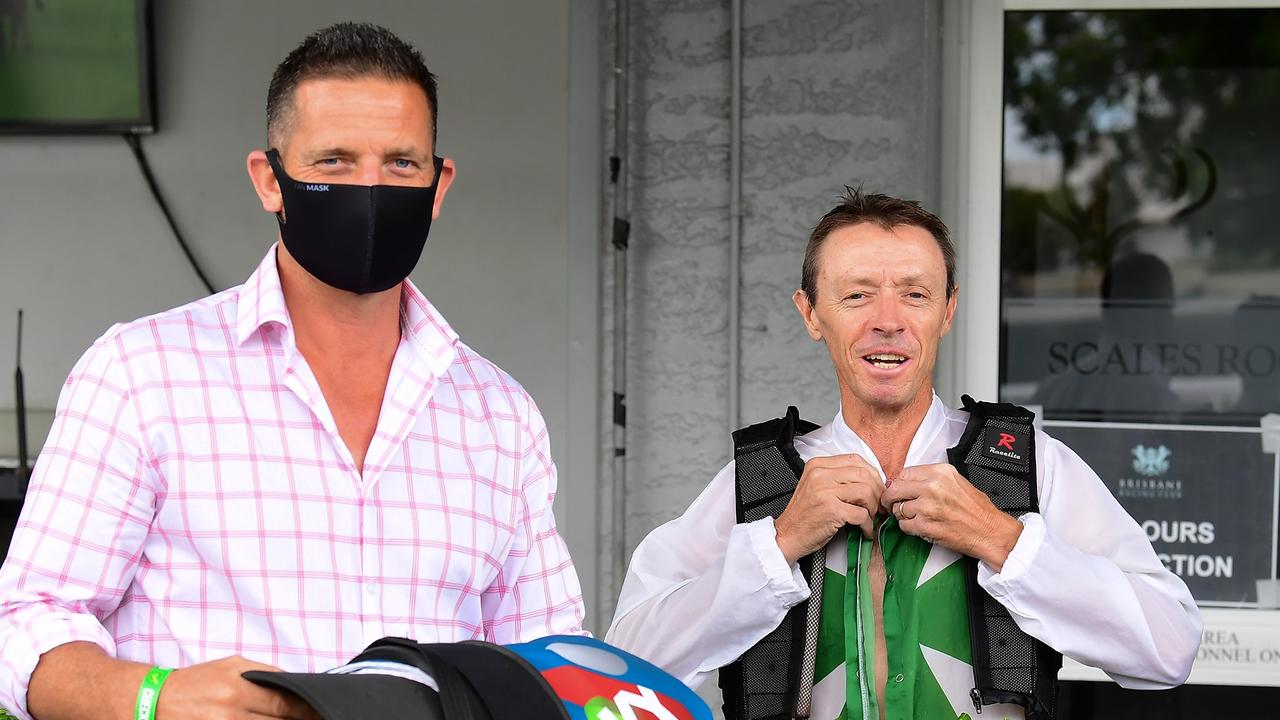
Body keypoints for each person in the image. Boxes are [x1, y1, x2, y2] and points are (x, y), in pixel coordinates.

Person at [0, 22, 583, 720]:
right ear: (270, 180)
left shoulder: (499, 415)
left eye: (401, 163)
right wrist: (156, 696)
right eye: (334, 161)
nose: (370, 188)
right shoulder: (140, 376)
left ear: (438, 184)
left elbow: (546, 666)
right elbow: (26, 620)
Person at [606, 189, 1201, 720]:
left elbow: (1170, 647)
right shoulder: (761, 481)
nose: (886, 322)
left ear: (947, 310)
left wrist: (1002, 540)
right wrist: (778, 543)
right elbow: (624, 668)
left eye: (914, 295)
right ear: (811, 313)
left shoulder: (1027, 465)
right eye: (857, 295)